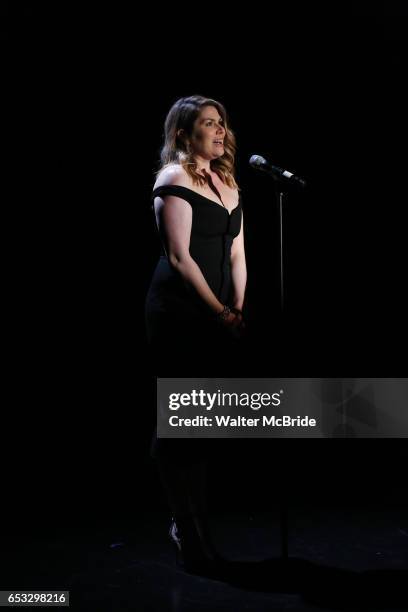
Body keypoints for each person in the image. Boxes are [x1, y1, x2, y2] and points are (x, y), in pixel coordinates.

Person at [145, 95, 247, 574]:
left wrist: (238, 307)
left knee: (203, 421)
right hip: (180, 314)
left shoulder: (228, 181)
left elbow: (237, 254)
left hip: (219, 314)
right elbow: (181, 258)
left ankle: (198, 521)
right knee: (177, 419)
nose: (219, 130)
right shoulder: (174, 179)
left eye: (221, 122)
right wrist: (220, 314)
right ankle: (183, 523)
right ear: (185, 133)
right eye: (209, 123)